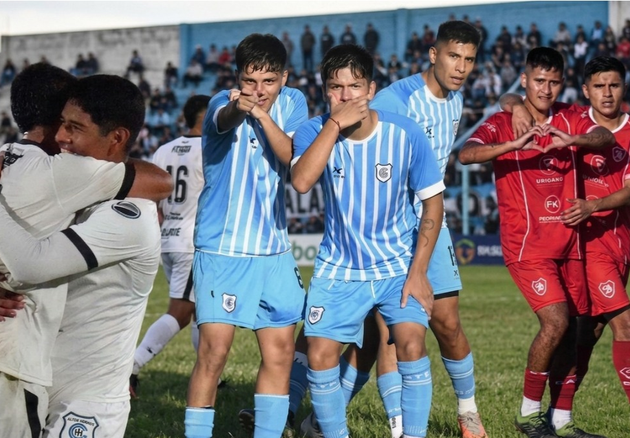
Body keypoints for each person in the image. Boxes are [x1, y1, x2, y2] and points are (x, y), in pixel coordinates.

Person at [0, 65, 171, 438]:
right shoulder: (57, 178)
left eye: (74, 126)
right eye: (61, 123)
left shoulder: (128, 214)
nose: (62, 136)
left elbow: (30, 264)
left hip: (80, 400)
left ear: (116, 136)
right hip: (14, 368)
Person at [503, 55, 630, 438]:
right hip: (585, 245)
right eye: (598, 86)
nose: (606, 93)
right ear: (585, 91)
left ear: (625, 88)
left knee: (588, 334)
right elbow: (514, 96)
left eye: (614, 85)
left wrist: (593, 205)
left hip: (619, 244)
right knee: (625, 324)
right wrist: (516, 104)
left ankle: (557, 416)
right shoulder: (568, 116)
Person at [334, 21, 489, 438]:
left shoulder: (455, 97)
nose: (460, 67)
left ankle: (468, 412)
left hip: (428, 221)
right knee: (378, 336)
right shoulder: (395, 100)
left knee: (447, 322)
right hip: (384, 229)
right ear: (434, 54)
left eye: (469, 59)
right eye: (453, 56)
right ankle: (326, 419)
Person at [459, 47, 615, 438]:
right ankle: (529, 415)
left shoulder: (570, 116)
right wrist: (511, 146)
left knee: (578, 329)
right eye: (538, 80)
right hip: (526, 246)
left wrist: (573, 140)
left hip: (572, 246)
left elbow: (603, 134)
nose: (546, 89)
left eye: (553, 81)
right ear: (524, 80)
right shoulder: (502, 121)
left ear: (562, 83)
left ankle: (561, 421)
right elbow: (465, 154)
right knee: (556, 321)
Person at [291, 43, 444, 438]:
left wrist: (419, 273)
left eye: (354, 86)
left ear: (372, 90)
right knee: (321, 354)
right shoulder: (313, 130)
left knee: (410, 342)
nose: (345, 96)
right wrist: (333, 125)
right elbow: (302, 181)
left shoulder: (405, 132)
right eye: (335, 88)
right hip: (338, 268)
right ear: (325, 91)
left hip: (396, 267)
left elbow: (433, 205)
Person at [183, 33, 308, 438]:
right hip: (223, 251)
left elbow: (293, 158)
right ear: (237, 79)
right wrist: (241, 107)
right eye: (250, 82)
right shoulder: (223, 103)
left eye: (269, 82)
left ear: (284, 78)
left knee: (280, 353)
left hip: (273, 251)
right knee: (213, 354)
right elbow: (226, 118)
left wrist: (263, 116)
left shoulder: (295, 105)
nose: (258, 91)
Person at [131, 95, 210, 395]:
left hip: (169, 238)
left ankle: (209, 377)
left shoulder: (163, 150)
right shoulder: (211, 149)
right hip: (192, 241)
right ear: (207, 117)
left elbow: (155, 199)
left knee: (200, 312)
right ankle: (131, 367)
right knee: (180, 310)